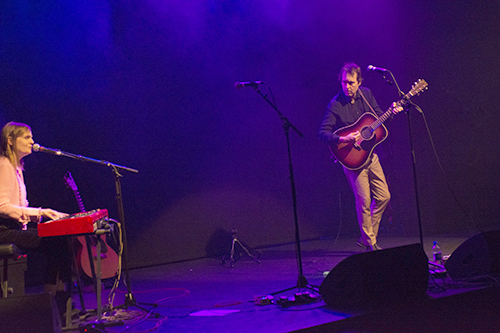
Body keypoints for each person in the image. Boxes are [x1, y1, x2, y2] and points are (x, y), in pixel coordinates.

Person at [318, 62, 401, 251]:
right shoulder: (335, 104)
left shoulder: (367, 94)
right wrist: (343, 138)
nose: (347, 86)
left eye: (351, 83)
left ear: (359, 82)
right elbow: (322, 132)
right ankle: (370, 244)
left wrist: (392, 112)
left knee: (384, 197)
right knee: (363, 201)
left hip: (370, 155)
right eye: (344, 82)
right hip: (352, 160)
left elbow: (378, 116)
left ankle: (366, 237)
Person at [0, 121, 71, 302]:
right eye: (27, 137)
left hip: (14, 228)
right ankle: (53, 301)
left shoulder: (17, 166)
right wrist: (40, 213)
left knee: (60, 239)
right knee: (55, 242)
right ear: (10, 140)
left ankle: (58, 299)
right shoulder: (4, 165)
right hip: (4, 231)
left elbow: (20, 204)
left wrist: (45, 216)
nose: (32, 141)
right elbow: (2, 206)